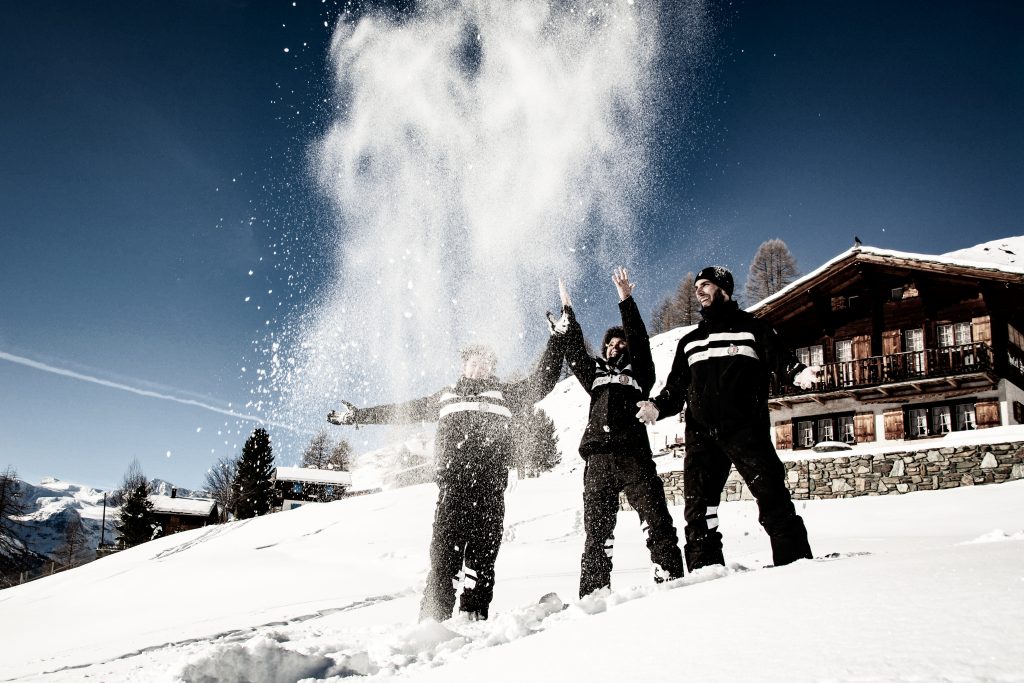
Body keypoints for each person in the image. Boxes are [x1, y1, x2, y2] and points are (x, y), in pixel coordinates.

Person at [327, 334, 564, 622]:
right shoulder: (445, 397)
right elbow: (404, 410)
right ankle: (431, 625)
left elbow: (543, 380)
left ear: (492, 368)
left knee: (482, 563)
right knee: (442, 562)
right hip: (453, 490)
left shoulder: (505, 394)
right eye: (474, 363)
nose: (479, 369)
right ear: (464, 367)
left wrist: (557, 339)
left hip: (490, 491)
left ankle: (473, 621)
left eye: (485, 364)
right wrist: (359, 416)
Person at [636, 266, 818, 571]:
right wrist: (657, 407)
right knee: (698, 512)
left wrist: (798, 373)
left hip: (746, 430)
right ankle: (705, 573)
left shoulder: (753, 329)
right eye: (697, 287)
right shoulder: (690, 341)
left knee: (772, 497)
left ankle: (795, 565)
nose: (699, 291)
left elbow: (780, 358)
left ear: (724, 289)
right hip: (701, 436)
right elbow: (676, 387)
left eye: (706, 285)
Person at [553, 267, 685, 598]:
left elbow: (640, 340)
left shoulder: (641, 373)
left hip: (634, 456)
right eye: (610, 343)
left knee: (657, 521)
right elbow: (575, 352)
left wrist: (626, 301)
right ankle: (594, 594)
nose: (615, 346)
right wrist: (569, 315)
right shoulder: (594, 376)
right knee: (597, 533)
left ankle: (670, 581)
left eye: (620, 342)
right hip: (597, 460)